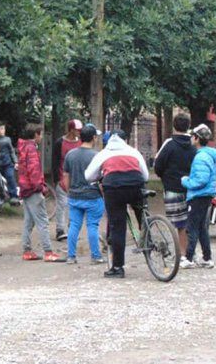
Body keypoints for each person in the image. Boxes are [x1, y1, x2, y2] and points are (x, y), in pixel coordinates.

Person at [85, 131, 149, 279]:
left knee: (117, 227)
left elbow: (88, 176)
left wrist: (100, 176)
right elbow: (145, 175)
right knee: (142, 212)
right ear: (125, 140)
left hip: (114, 189)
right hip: (136, 186)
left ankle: (118, 267)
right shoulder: (133, 151)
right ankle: (148, 236)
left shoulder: (103, 153)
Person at [153, 113, 197, 260]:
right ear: (188, 126)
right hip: (191, 188)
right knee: (189, 222)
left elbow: (158, 165)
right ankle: (189, 251)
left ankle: (183, 253)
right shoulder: (193, 146)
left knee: (178, 224)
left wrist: (164, 177)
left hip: (172, 187)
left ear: (174, 125)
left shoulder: (169, 144)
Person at [18, 123, 63, 262]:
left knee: (28, 222)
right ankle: (48, 252)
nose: (42, 137)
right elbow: (34, 172)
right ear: (36, 134)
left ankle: (27, 251)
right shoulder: (31, 149)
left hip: (25, 189)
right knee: (43, 221)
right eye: (41, 134)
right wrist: (41, 188)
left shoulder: (23, 147)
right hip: (33, 190)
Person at [63, 124, 105, 265]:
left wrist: (69, 191)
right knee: (92, 225)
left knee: (74, 226)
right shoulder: (97, 156)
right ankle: (96, 256)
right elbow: (101, 178)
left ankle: (71, 256)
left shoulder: (70, 154)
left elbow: (66, 175)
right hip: (93, 197)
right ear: (93, 138)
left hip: (74, 196)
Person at [180, 124, 216, 269]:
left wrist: (186, 181)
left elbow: (201, 180)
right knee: (202, 228)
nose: (190, 138)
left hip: (198, 196)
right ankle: (207, 258)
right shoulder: (209, 155)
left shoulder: (201, 157)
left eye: (192, 136)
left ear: (196, 138)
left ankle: (189, 258)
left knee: (192, 227)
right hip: (206, 195)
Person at [52, 119, 83, 242]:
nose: (79, 132)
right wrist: (57, 180)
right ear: (71, 130)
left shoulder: (80, 142)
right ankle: (60, 230)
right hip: (63, 179)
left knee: (75, 206)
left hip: (77, 180)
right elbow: (55, 162)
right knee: (62, 204)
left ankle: (73, 230)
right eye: (77, 130)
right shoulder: (60, 142)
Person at [0, 122, 19, 205]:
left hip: (7, 164)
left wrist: (16, 162)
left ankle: (14, 197)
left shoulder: (7, 139)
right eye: (1, 129)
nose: (3, 130)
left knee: (10, 177)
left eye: (4, 128)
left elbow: (11, 151)